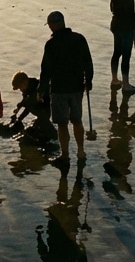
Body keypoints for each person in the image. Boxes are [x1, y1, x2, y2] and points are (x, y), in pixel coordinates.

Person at [38, 11, 93, 167]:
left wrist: (41, 89)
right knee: (77, 120)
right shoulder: (79, 39)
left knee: (62, 123)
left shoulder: (51, 44)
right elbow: (88, 62)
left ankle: (65, 155)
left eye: (49, 25)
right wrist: (88, 81)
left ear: (53, 25)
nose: (49, 28)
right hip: (76, 86)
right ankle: (81, 152)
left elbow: (46, 70)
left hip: (59, 88)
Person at [109, 0, 135, 90]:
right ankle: (126, 84)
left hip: (115, 24)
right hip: (126, 26)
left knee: (117, 52)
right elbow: (131, 12)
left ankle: (114, 79)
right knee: (126, 54)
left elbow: (112, 8)